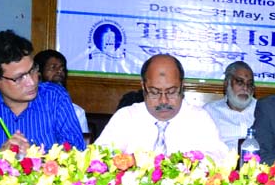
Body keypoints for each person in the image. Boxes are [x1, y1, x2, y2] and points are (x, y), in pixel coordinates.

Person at [95, 54, 228, 161]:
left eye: (171, 92)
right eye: (154, 92)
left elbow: (218, 158)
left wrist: (185, 164)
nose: (163, 100)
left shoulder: (199, 119)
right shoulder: (126, 117)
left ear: (182, 86)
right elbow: (99, 157)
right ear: (143, 87)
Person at [204, 61, 257, 152]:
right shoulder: (209, 111)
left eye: (249, 84)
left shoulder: (263, 109)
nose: (245, 88)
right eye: (240, 82)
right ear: (226, 84)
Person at [34, 49, 89, 134]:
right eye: (53, 67)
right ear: (38, 73)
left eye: (63, 69)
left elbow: (81, 141)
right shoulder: (26, 108)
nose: (60, 71)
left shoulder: (76, 112)